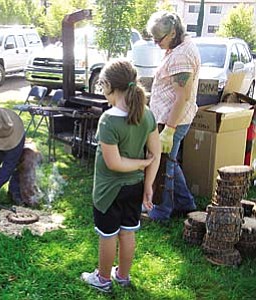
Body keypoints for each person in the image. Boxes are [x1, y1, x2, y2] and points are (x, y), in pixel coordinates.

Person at [81, 59, 161, 293]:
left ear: (106, 86)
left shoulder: (108, 120)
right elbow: (155, 154)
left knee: (108, 235)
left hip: (108, 192)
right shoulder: (147, 114)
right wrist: (148, 184)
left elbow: (114, 163)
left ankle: (103, 279)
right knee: (128, 232)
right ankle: (123, 276)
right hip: (134, 188)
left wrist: (140, 165)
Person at [144, 11, 200, 221]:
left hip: (173, 121)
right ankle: (186, 204)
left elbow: (182, 97)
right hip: (169, 119)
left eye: (159, 39)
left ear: (174, 32)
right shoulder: (176, 46)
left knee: (164, 164)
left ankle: (161, 210)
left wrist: (169, 129)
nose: (156, 43)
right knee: (171, 161)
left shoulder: (182, 55)